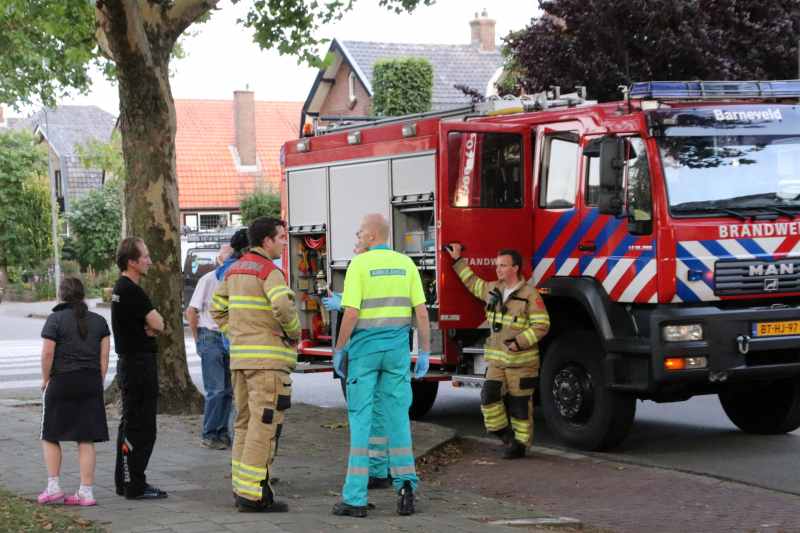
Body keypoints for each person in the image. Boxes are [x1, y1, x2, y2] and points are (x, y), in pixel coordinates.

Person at [331, 213, 430, 518]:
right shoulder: (406, 264)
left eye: (360, 232)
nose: (357, 237)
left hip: (364, 354)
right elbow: (422, 313)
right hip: (397, 353)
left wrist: (339, 348)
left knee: (361, 422)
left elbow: (350, 314)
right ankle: (405, 490)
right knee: (398, 419)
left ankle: (355, 498)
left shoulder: (359, 265)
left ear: (372, 235)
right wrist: (424, 351)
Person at [211, 216, 300, 513]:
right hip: (266, 364)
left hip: (241, 361)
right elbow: (283, 305)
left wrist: (236, 335)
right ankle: (253, 495)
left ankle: (242, 488)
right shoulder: (269, 271)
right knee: (264, 427)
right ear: (267, 241)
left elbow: (217, 308)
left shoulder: (234, 269)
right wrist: (292, 333)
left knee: (244, 424)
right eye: (281, 237)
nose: (284, 242)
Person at [445, 244, 550, 459]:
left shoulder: (530, 295)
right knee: (489, 397)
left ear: (515, 268)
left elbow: (542, 325)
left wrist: (519, 342)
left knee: (521, 408)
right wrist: (457, 260)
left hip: (522, 363)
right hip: (497, 363)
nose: (498, 269)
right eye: (497, 265)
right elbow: (472, 282)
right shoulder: (493, 290)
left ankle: (520, 447)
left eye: (503, 265)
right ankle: (505, 436)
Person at [322, 235, 392, 491]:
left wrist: (343, 306)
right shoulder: (387, 269)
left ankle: (371, 473)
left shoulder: (361, 267)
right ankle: (379, 468)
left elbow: (360, 312)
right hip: (384, 349)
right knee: (378, 411)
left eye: (357, 243)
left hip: (363, 353)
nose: (353, 248)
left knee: (364, 413)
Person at [38, 278, 110, 507]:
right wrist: (99, 379)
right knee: (85, 437)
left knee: (50, 433)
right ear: (83, 294)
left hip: (62, 381)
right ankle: (86, 492)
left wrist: (45, 378)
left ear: (62, 295)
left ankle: (53, 487)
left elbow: (48, 353)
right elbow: (105, 356)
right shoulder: (99, 321)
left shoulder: (55, 320)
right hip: (90, 382)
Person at [112, 236, 167, 500]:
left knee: (129, 424)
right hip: (139, 365)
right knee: (142, 427)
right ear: (132, 261)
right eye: (144, 256)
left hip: (129, 363)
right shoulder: (131, 290)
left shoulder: (119, 288)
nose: (149, 261)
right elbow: (159, 324)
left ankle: (125, 481)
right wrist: (149, 328)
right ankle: (135, 484)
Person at [188, 245, 234, 450]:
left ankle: (221, 431)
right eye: (228, 258)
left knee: (227, 390)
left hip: (226, 337)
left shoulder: (233, 280)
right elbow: (191, 310)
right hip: (212, 336)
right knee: (216, 390)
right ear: (220, 259)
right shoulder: (208, 279)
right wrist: (198, 338)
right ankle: (209, 434)